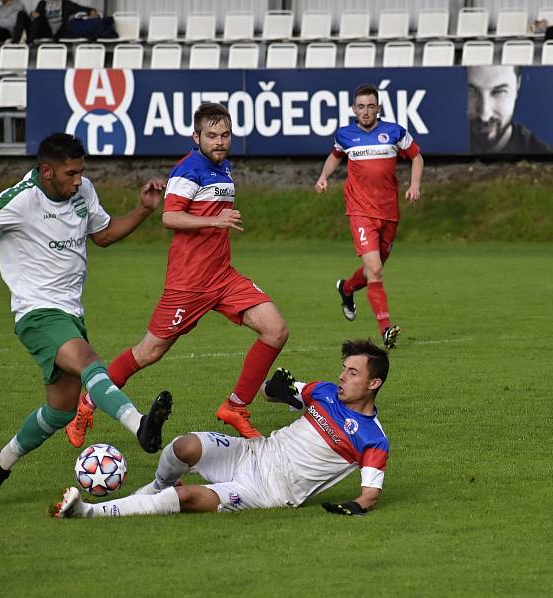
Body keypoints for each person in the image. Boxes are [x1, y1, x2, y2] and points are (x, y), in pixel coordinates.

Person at [0, 133, 173, 507]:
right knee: (90, 362)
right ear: (46, 171)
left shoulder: (83, 191)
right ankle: (140, 425)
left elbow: (103, 235)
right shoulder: (22, 198)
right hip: (37, 313)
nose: (77, 180)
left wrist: (143, 210)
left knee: (60, 411)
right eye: (70, 173)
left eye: (80, 172)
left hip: (70, 313)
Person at [66, 101, 289, 444]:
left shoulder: (223, 167)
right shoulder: (188, 170)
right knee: (148, 353)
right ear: (195, 136)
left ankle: (236, 407)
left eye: (225, 134)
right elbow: (170, 217)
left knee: (275, 330)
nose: (219, 141)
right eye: (211, 135)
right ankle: (87, 404)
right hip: (188, 285)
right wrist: (215, 219)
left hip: (223, 277)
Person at [52, 339, 390, 519]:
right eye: (344, 369)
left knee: (184, 498)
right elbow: (270, 394)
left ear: (373, 382)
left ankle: (87, 512)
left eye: (353, 373)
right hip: (255, 451)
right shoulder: (325, 391)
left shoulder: (372, 438)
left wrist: (357, 506)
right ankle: (154, 487)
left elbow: (371, 492)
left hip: (270, 490)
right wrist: (277, 389)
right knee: (184, 447)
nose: (343, 377)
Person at [314, 84, 423, 350]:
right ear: (354, 109)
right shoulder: (345, 135)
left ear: (378, 108)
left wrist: (414, 184)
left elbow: (417, 156)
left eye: (370, 106)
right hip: (360, 212)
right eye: (360, 106)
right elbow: (334, 156)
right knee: (375, 270)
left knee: (371, 270)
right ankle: (386, 329)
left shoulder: (394, 132)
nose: (365, 111)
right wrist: (323, 177)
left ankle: (347, 289)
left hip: (389, 214)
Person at [467, 65, 553, 154]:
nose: (485, 115)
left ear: (517, 86)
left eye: (499, 92)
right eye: (470, 91)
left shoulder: (546, 158)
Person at [28, 1, 113, 44]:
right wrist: (32, 14)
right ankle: (30, 43)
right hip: (46, 30)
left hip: (60, 31)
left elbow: (79, 8)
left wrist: (90, 10)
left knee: (75, 26)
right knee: (38, 18)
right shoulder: (43, 3)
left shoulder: (66, 4)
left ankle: (30, 42)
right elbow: (36, 15)